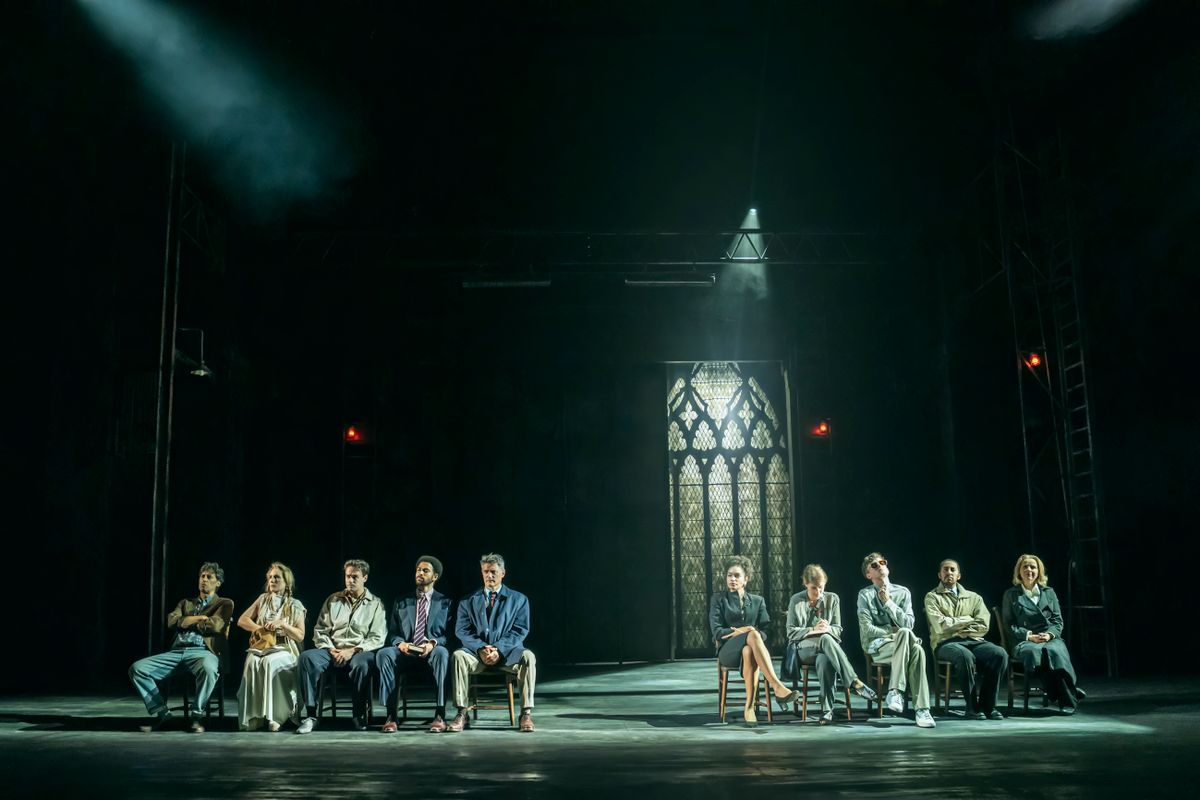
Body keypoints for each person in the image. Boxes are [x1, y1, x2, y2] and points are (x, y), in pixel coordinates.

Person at [129, 562, 234, 733]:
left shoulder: (224, 603)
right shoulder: (186, 603)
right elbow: (171, 621)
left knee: (209, 669)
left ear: (218, 582)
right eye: (202, 576)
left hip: (203, 652)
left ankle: (196, 716)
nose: (204, 580)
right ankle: (163, 714)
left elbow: (215, 626)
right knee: (137, 668)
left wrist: (186, 621)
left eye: (209, 577)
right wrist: (200, 618)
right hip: (177, 652)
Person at [448, 553, 537, 733]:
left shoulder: (519, 599)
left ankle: (526, 713)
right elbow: (462, 630)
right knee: (458, 656)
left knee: (528, 656)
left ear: (503, 573)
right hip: (477, 655)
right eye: (485, 571)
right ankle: (462, 712)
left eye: (493, 571)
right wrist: (481, 648)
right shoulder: (468, 601)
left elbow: (520, 630)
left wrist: (498, 649)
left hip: (507, 655)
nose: (489, 575)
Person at [296, 559, 387, 733]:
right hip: (332, 650)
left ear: (365, 578)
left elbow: (377, 637)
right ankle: (311, 715)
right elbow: (320, 630)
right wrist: (331, 649)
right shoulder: (333, 600)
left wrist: (352, 651)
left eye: (355, 577)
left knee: (362, 664)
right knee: (306, 658)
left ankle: (358, 714)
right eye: (347, 576)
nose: (350, 580)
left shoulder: (375, 603)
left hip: (359, 651)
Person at [710, 555, 801, 727]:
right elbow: (717, 632)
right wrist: (744, 631)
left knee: (749, 649)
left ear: (746, 579)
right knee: (752, 634)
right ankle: (777, 686)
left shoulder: (758, 601)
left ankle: (749, 707)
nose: (732, 579)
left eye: (737, 576)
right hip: (728, 651)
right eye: (729, 575)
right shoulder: (718, 600)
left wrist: (752, 633)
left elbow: (767, 631)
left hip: (751, 649)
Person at [784, 563, 877, 725]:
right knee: (826, 639)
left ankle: (827, 711)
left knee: (825, 659)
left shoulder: (832, 599)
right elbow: (790, 632)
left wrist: (827, 629)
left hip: (827, 650)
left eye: (821, 587)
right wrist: (813, 629)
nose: (818, 592)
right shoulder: (796, 600)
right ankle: (854, 681)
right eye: (814, 588)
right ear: (805, 584)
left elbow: (838, 630)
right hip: (803, 649)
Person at [856, 552, 936, 728]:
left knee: (914, 645)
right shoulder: (865, 595)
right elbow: (867, 629)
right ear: (868, 574)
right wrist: (891, 632)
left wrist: (889, 603)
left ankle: (898, 693)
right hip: (878, 647)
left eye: (882, 562)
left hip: (901, 643)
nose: (880, 566)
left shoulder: (903, 592)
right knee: (911, 642)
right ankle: (921, 708)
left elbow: (909, 624)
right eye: (874, 565)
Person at [923, 558, 1008, 720]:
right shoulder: (932, 597)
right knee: (964, 656)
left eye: (952, 569)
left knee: (999, 654)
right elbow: (941, 626)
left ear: (959, 575)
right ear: (939, 575)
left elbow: (983, 624)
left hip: (973, 640)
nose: (949, 572)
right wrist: (967, 619)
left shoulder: (974, 597)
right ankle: (972, 708)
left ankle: (988, 706)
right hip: (945, 643)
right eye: (945, 570)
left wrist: (958, 627)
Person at [376, 555, 453, 733]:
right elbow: (392, 633)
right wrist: (400, 643)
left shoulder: (445, 602)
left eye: (425, 570)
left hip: (431, 651)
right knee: (384, 653)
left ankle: (440, 714)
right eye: (418, 570)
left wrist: (432, 644)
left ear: (435, 576)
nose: (420, 573)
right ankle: (391, 715)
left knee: (442, 653)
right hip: (406, 651)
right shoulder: (402, 601)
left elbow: (449, 635)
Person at [1001, 553, 1086, 714]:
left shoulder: (1049, 592)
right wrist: (1029, 635)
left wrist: (1049, 635)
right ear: (1019, 571)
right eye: (1025, 567)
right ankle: (1070, 694)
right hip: (1024, 640)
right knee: (1037, 653)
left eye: (1033, 567)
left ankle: (1067, 700)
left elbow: (1057, 620)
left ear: (1039, 571)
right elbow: (1008, 624)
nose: (1029, 570)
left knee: (1055, 651)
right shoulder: (1010, 594)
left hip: (1049, 637)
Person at [235, 562, 307, 731]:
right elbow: (242, 620)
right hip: (263, 646)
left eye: (277, 577)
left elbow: (300, 635)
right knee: (252, 661)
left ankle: (277, 715)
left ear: (286, 582)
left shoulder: (295, 604)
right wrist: (260, 629)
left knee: (270, 662)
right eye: (270, 577)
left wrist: (282, 624)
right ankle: (256, 716)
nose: (272, 580)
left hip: (285, 647)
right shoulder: (263, 599)